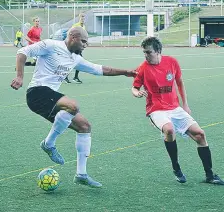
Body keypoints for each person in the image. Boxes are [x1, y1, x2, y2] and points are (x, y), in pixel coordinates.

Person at [10, 27, 136, 188]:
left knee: (84, 126)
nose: (86, 45)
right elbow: (22, 52)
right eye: (83, 41)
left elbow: (99, 69)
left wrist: (125, 72)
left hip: (50, 98)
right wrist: (20, 76)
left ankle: (81, 174)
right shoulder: (51, 45)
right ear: (73, 37)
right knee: (73, 106)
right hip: (37, 92)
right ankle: (48, 144)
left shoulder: (75, 59)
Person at [131, 36, 224, 185]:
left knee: (200, 135)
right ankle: (176, 168)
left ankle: (210, 175)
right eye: (144, 52)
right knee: (169, 130)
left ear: (158, 51)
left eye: (148, 52)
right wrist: (136, 93)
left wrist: (185, 105)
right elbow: (135, 87)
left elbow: (180, 83)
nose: (146, 55)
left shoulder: (172, 62)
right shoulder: (143, 68)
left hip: (175, 108)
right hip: (156, 109)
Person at [64, 13, 86, 84]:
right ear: (79, 18)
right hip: (74, 47)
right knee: (75, 61)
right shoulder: (76, 26)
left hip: (79, 47)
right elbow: (69, 33)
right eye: (81, 17)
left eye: (83, 17)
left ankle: (73, 77)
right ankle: (69, 76)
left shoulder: (84, 26)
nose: (82, 18)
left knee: (78, 62)